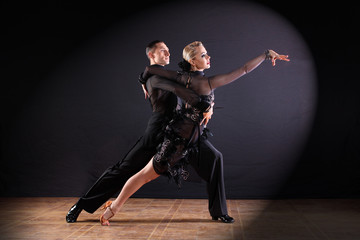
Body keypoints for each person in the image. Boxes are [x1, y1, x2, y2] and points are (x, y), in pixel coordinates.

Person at [98, 41, 290, 225]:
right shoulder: (206, 82)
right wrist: (265, 55)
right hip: (178, 142)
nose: (208, 57)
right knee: (145, 175)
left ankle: (219, 212)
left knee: (215, 158)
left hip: (195, 139)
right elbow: (244, 70)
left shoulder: (183, 78)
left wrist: (142, 79)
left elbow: (151, 70)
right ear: (193, 61)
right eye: (203, 55)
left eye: (206, 53)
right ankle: (113, 208)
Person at [66, 40, 231, 224]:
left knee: (215, 158)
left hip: (178, 131)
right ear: (151, 55)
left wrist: (209, 105)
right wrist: (203, 105)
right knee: (122, 169)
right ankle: (81, 205)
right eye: (163, 51)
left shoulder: (161, 75)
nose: (168, 54)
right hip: (158, 132)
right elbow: (179, 89)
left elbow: (191, 85)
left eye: (168, 50)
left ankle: (219, 212)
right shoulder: (156, 79)